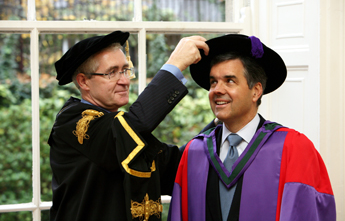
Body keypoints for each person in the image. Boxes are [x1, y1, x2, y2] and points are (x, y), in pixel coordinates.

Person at [168, 34, 336, 221]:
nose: (217, 90)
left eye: (229, 81)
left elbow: (305, 213)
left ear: (256, 91)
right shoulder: (195, 151)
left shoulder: (292, 148)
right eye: (213, 82)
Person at [48, 30, 209, 221]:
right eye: (111, 73)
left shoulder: (118, 125)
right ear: (84, 81)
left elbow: (176, 165)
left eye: (125, 70)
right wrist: (174, 65)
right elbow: (136, 124)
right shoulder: (74, 121)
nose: (124, 81)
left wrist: (221, 123)